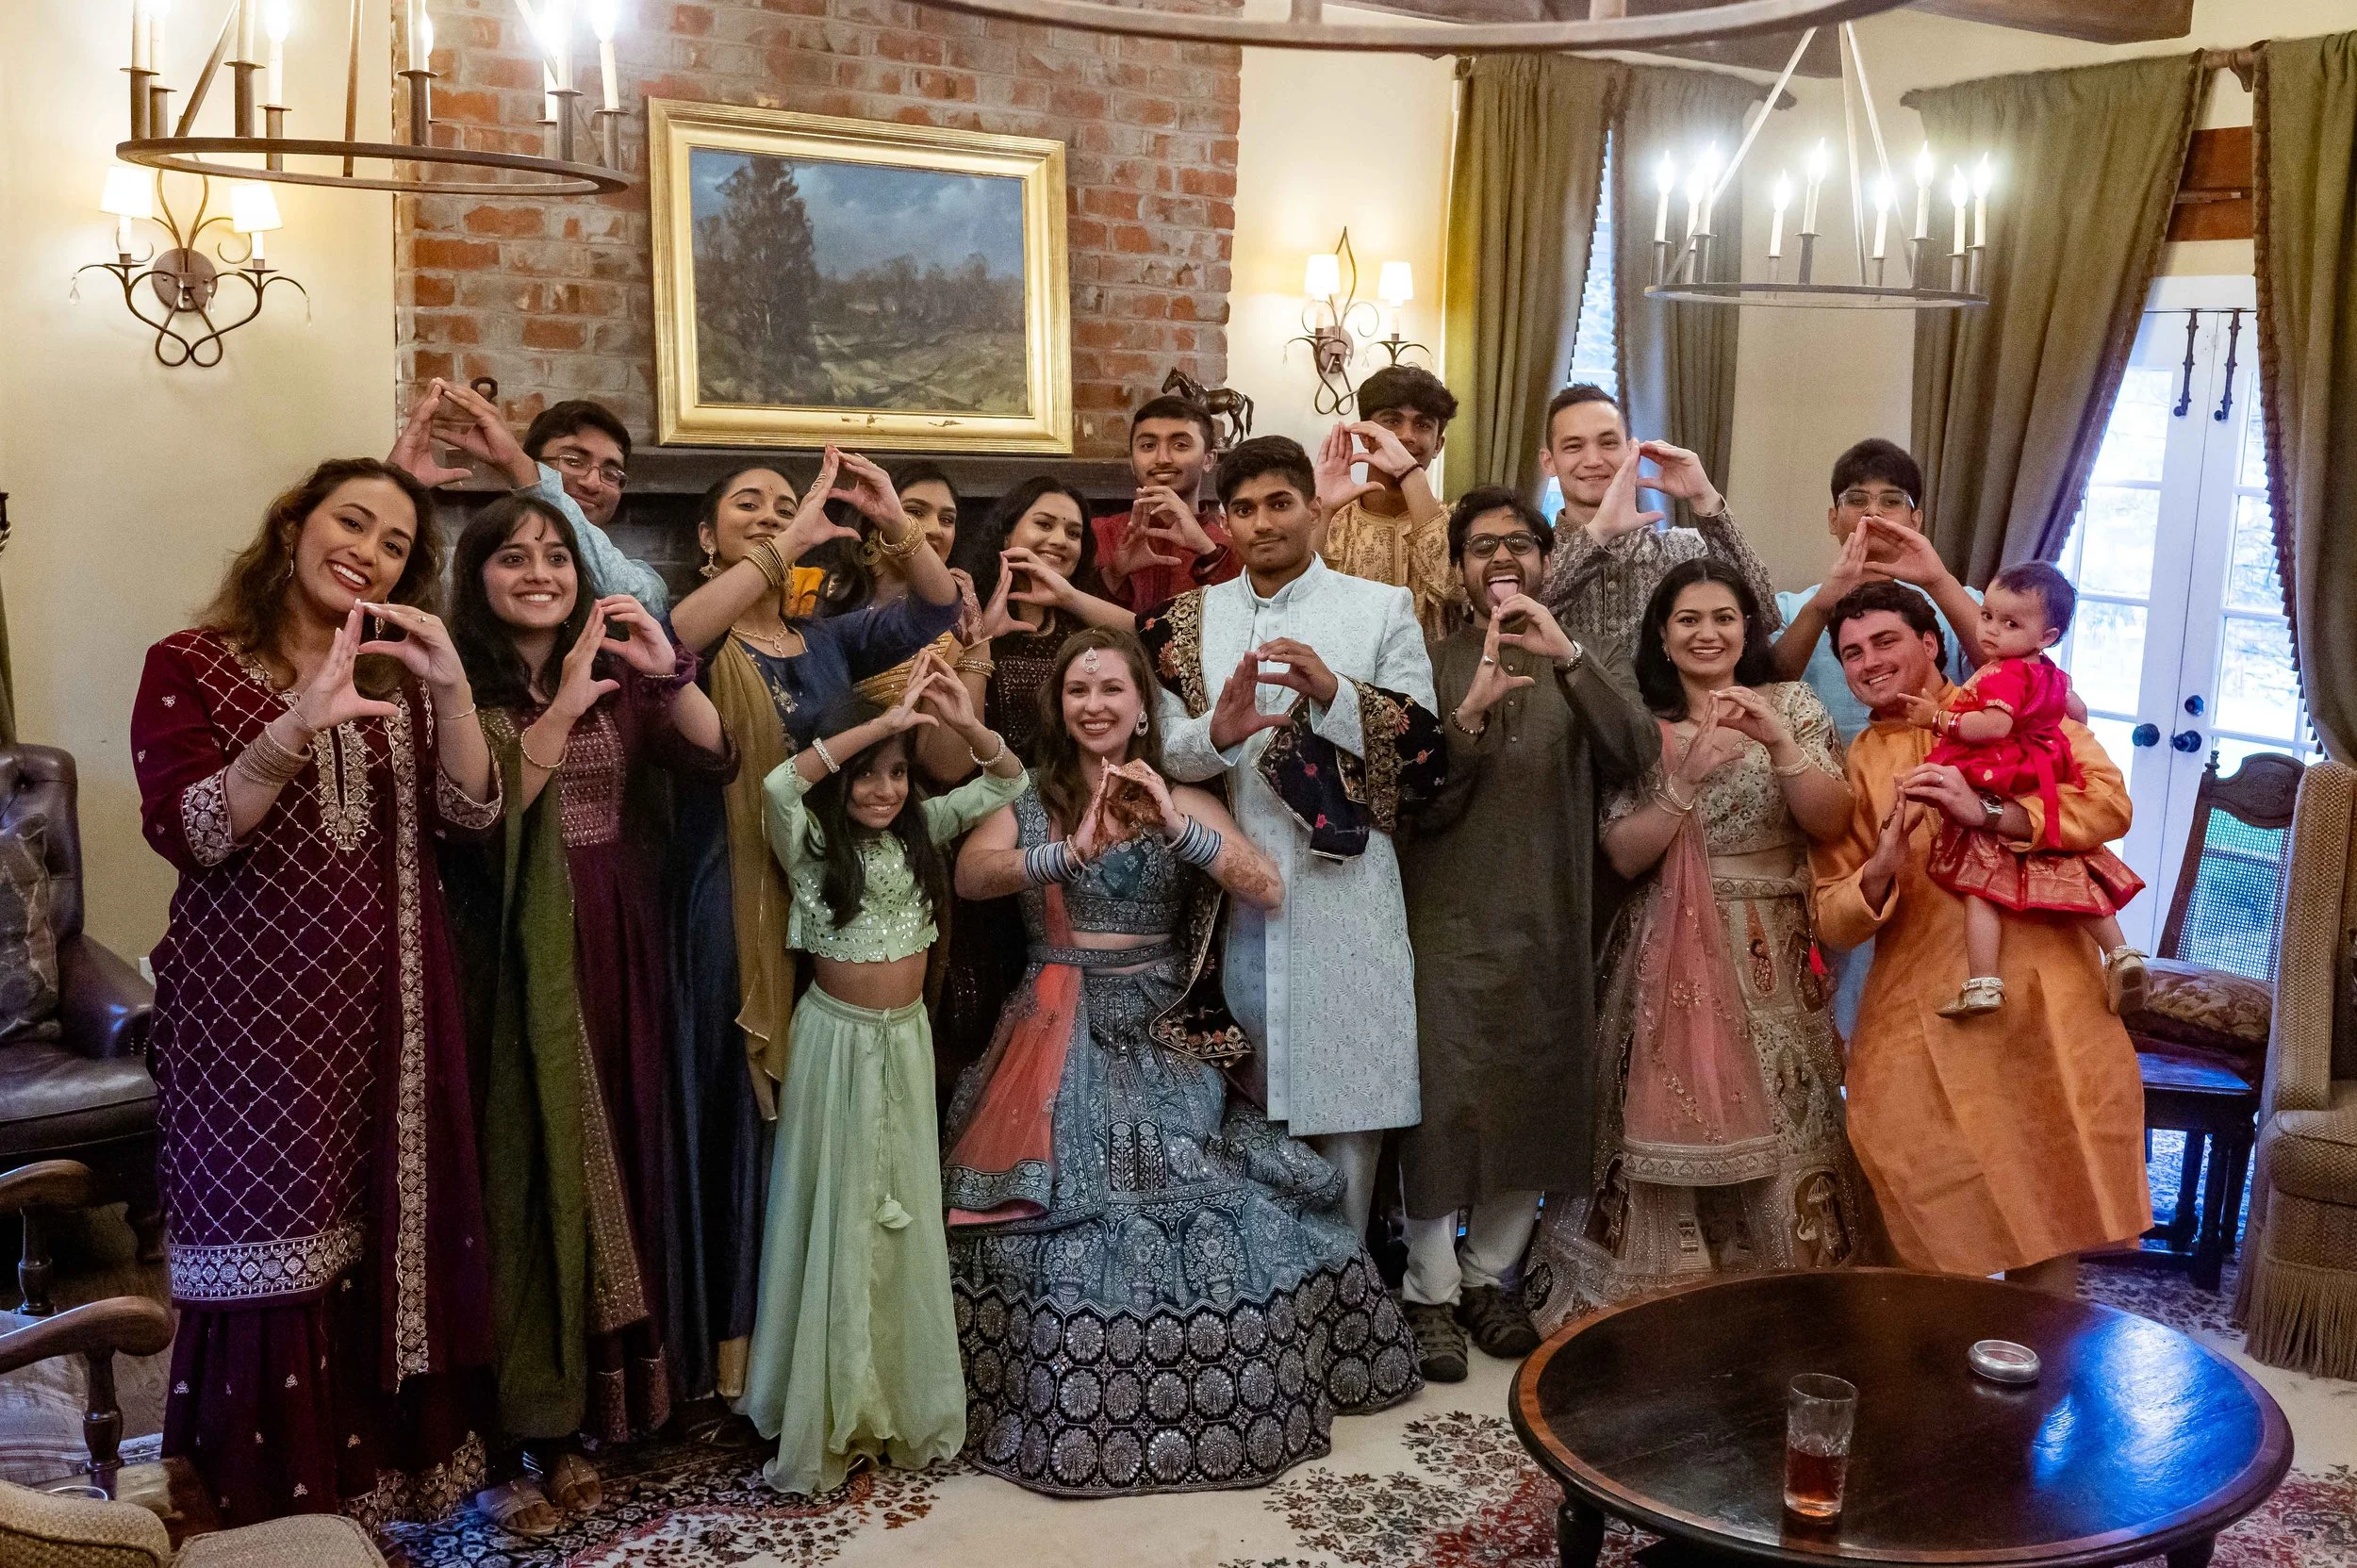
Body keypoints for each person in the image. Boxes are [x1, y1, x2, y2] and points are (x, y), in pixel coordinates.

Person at [943, 626, 1417, 1495]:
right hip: (1058, 1022)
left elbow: (1265, 883)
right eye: (1078, 691)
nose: (1094, 705)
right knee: (1059, 1207)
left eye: (1111, 690)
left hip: (1165, 1022)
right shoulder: (1027, 793)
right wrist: (1067, 853)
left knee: (1225, 1195)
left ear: (1141, 706)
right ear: (1057, 705)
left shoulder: (1181, 791)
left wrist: (1171, 822)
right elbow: (974, 875)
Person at [132, 457, 501, 1526]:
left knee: (382, 1231)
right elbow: (194, 833)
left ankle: (373, 1494)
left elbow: (471, 817)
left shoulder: (395, 684)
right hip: (245, 1016)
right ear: (292, 523)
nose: (370, 551)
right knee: (264, 1246)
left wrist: (449, 686)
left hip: (386, 1014)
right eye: (353, 522)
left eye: (395, 544)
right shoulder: (190, 662)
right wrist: (298, 721)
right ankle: (264, 1511)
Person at [442, 493, 734, 1531]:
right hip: (517, 957)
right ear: (475, 577)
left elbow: (714, 753)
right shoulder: (455, 688)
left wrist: (660, 666)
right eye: (511, 556)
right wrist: (561, 704)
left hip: (619, 938)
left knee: (622, 1156)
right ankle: (519, 1431)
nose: (538, 571)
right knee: (531, 1177)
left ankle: (603, 1415)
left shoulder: (616, 678)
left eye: (555, 556)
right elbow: (478, 823)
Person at [663, 451, 960, 1403]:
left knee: (818, 1121)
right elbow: (671, 641)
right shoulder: (704, 634)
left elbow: (935, 609)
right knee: (739, 1112)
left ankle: (818, 1344)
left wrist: (888, 519)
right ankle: (731, 1352)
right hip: (731, 895)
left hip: (834, 904)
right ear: (705, 536)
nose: (768, 514)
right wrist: (781, 547)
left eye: (785, 504)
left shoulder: (828, 639)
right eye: (744, 502)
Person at [1524, 560, 1865, 1322]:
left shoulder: (1794, 705)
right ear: (1663, 637)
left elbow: (1833, 821)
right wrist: (1684, 782)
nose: (1708, 633)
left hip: (1771, 945)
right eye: (1688, 620)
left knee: (1789, 1113)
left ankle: (1787, 1293)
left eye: (1724, 617)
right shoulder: (1640, 726)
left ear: (1748, 629)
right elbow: (1622, 853)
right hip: (1659, 951)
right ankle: (1657, 1293)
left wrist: (1778, 742)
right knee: (1657, 1112)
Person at [735, 657, 1030, 1496]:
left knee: (900, 1211)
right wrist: (874, 726)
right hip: (836, 1046)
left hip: (905, 1041)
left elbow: (1008, 784)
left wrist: (957, 725)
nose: (885, 789)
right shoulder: (814, 840)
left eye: (898, 774)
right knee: (837, 1210)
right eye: (867, 776)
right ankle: (830, 1403)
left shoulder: (922, 831)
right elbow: (778, 787)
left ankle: (894, 1399)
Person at [1139, 435, 1444, 1242]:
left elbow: (1426, 751)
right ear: (1225, 522)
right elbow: (1171, 751)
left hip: (1348, 886)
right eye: (1243, 508)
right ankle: (1267, 1297)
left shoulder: (1379, 608)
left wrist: (1336, 693)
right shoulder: (1185, 621)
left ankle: (1350, 1295)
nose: (1263, 521)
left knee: (1353, 1085)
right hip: (1233, 887)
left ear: (1315, 507)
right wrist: (1221, 730)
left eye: (1280, 503)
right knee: (1250, 1088)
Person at [1810, 582, 2151, 1298]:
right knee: (1908, 1176)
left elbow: (2109, 800)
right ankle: (1919, 1382)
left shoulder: (2024, 709)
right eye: (1850, 653)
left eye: (1885, 641)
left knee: (2048, 1196)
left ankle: (2030, 1383)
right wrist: (1879, 869)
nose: (1868, 662)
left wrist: (1990, 810)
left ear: (1930, 643)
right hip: (1919, 1005)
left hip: (2042, 995)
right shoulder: (1859, 761)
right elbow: (1831, 913)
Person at [1393, 488, 1657, 1381]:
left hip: (1553, 916)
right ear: (1458, 566)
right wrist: (1463, 719)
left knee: (1534, 1091)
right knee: (1442, 1097)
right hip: (1447, 913)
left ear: (1547, 559)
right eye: (1480, 546)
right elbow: (1414, 804)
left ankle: (1488, 1278)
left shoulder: (1590, 655)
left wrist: (1570, 659)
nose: (1500, 557)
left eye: (1518, 543)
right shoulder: (1424, 659)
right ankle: (1427, 1292)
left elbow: (1637, 754)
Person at [933, 477, 1136, 1105]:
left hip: (1072, 838)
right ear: (1008, 531)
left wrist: (1073, 597)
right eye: (1043, 524)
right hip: (983, 837)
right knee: (975, 1005)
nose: (1059, 540)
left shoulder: (1085, 628)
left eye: (1073, 531)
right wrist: (978, 646)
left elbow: (1157, 648)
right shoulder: (959, 620)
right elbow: (945, 764)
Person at [1892, 563, 2147, 1017]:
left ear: (2046, 636)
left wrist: (1938, 719)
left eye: (2010, 624)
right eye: (1987, 615)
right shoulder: (2048, 672)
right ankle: (2122, 952)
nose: (1990, 630)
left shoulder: (2002, 674)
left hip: (2001, 774)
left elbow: (1993, 726)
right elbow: (2077, 710)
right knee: (2073, 874)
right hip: (2046, 776)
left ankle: (1984, 982)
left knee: (1979, 886)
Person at [1533, 383, 1780, 666]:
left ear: (1631, 451)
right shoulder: (1530, 555)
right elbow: (1515, 623)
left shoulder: (1679, 551)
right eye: (1574, 446)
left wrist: (1705, 497)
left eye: (1608, 442)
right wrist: (1598, 533)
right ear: (1549, 462)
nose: (1593, 460)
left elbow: (1766, 615)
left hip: (1665, 709)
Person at [1772, 438, 1982, 745]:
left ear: (1916, 520)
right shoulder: (1791, 609)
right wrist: (1821, 607)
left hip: (1942, 777)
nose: (1872, 512)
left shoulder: (1959, 601)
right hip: (1820, 782)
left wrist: (1938, 582)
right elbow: (1762, 693)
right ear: (1833, 520)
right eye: (1856, 500)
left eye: (1892, 501)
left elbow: (2016, 682)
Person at [395, 381, 669, 614]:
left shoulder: (643, 580)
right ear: (536, 467)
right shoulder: (466, 565)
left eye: (611, 473)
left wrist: (517, 464)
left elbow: (633, 600)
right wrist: (397, 485)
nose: (592, 483)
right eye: (573, 461)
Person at [1315, 365, 1463, 638]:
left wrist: (1409, 473)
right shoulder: (1334, 521)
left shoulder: (1461, 523)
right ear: (1365, 436)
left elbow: (1453, 590)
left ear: (1438, 444)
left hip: (1437, 679)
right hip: (1346, 678)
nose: (1407, 436)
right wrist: (1322, 511)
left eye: (1422, 425)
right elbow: (1297, 598)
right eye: (1392, 421)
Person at [1094, 394, 1242, 611]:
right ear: (1132, 462)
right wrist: (1114, 575)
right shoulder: (1097, 534)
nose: (1162, 458)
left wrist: (1209, 553)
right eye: (1147, 446)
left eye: (1180, 445)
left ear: (1208, 460)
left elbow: (1249, 621)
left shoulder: (1231, 545)